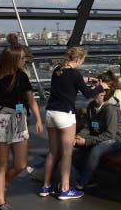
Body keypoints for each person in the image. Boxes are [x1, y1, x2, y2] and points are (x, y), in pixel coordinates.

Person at [0, 46, 43, 210]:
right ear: (13, 59)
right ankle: (1, 205)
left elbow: (31, 99)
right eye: (22, 58)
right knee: (1, 165)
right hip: (2, 121)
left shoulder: (22, 76)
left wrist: (38, 119)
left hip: (20, 119)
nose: (24, 61)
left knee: (20, 165)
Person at [40, 47, 107, 200]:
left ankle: (45, 186)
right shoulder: (75, 73)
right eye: (81, 61)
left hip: (50, 113)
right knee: (66, 153)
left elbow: (73, 80)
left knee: (52, 152)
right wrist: (101, 87)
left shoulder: (58, 69)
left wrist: (89, 80)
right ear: (77, 60)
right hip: (65, 115)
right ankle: (65, 189)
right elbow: (88, 93)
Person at [72, 85, 121, 189]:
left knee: (96, 151)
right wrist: (78, 136)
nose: (92, 90)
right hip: (99, 136)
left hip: (115, 139)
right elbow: (88, 127)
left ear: (103, 93)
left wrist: (86, 142)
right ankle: (89, 177)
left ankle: (83, 182)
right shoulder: (91, 106)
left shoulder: (110, 109)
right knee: (73, 153)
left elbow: (110, 134)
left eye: (95, 89)